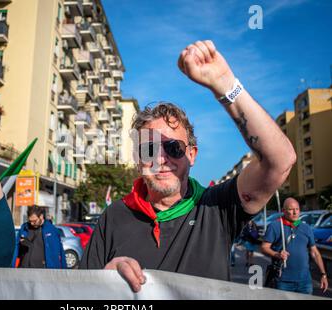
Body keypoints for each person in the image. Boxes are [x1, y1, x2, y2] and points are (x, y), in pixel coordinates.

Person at [80, 40, 297, 292]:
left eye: (173, 148)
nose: (161, 159)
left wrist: (226, 85)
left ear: (191, 154)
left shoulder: (216, 208)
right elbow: (81, 295)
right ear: (138, 158)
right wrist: (104, 280)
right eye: (150, 149)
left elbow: (280, 161)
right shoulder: (115, 215)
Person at [261, 197, 328, 294]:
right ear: (283, 211)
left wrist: (323, 274)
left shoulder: (305, 227)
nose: (295, 212)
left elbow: (315, 253)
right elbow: (264, 247)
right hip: (282, 281)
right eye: (291, 209)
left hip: (305, 281)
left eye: (297, 209)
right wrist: (277, 254)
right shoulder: (275, 226)